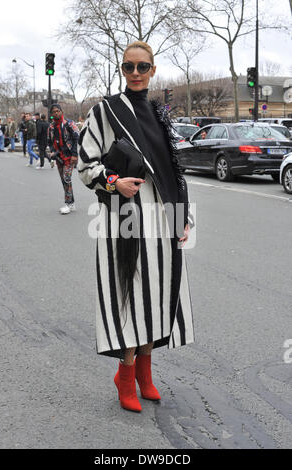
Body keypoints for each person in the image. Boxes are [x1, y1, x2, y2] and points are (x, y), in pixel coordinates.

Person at [78, 41, 194, 413]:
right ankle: (125, 376)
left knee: (158, 297)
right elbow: (85, 165)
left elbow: (173, 170)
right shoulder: (106, 111)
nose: (135, 74)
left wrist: (183, 218)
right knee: (129, 296)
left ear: (153, 70)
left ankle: (145, 374)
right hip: (124, 220)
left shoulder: (160, 115)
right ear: (122, 68)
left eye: (143, 67)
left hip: (162, 222)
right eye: (129, 67)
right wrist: (114, 183)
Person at [48, 104, 79, 214]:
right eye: (54, 112)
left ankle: (69, 204)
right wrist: (52, 152)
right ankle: (72, 203)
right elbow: (49, 141)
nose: (56, 113)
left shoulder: (69, 124)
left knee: (66, 179)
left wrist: (75, 155)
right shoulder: (51, 126)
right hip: (59, 157)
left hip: (69, 157)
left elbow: (76, 138)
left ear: (61, 111)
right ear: (51, 114)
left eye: (58, 111)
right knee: (64, 181)